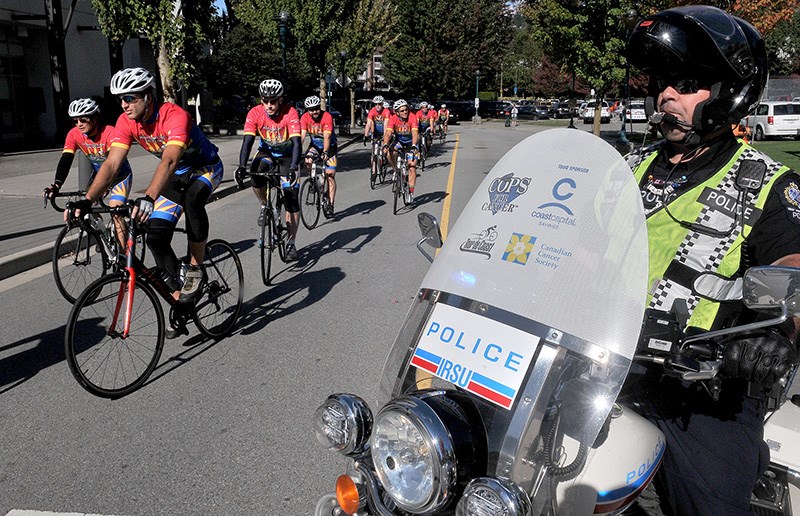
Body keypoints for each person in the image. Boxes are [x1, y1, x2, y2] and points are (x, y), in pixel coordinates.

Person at [623, 6, 799, 515]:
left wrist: (773, 335)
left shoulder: (766, 184)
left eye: (688, 82)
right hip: (606, 366)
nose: (666, 95)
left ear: (728, 92)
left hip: (703, 391)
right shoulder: (629, 170)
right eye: (662, 82)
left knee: (712, 505)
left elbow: (793, 263)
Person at [66, 68, 223, 318]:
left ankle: (196, 268)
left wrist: (149, 197)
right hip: (175, 177)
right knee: (154, 238)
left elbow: (170, 160)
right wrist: (87, 200)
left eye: (130, 98)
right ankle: (180, 300)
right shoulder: (126, 122)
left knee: (193, 199)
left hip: (204, 168)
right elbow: (111, 164)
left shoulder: (174, 115)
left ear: (148, 96)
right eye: (121, 99)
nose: (124, 104)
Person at [45, 98, 134, 244]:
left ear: (95, 118)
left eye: (83, 120)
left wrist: (105, 189)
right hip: (99, 177)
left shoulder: (110, 132)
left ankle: (124, 256)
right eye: (75, 121)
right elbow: (66, 159)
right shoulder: (74, 134)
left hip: (119, 176)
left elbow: (112, 165)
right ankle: (103, 238)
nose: (79, 124)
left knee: (115, 211)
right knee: (87, 209)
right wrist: (56, 185)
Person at [234, 79, 302, 261]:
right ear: (261, 100)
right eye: (266, 101)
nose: (269, 105)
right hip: (267, 153)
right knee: (255, 172)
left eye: (273, 101)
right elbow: (247, 141)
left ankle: (291, 243)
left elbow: (296, 143)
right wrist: (242, 166)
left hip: (288, 155)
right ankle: (265, 205)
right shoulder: (255, 113)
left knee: (291, 198)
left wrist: (294, 167)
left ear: (280, 100)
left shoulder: (290, 112)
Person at [300, 95, 337, 217]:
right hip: (315, 145)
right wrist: (295, 151)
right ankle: (314, 181)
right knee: (308, 160)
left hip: (329, 147)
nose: (314, 111)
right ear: (307, 110)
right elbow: (302, 136)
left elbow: (326, 137)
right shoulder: (304, 118)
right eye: (311, 109)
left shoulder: (326, 117)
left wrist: (325, 152)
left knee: (330, 175)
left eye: (316, 108)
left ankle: (330, 204)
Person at [383, 99, 419, 203]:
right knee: (390, 153)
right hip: (399, 142)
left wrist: (413, 146)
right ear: (397, 112)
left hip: (411, 143)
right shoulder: (393, 119)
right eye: (402, 111)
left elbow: (415, 134)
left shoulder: (412, 117)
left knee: (412, 167)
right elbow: (388, 133)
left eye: (406, 109)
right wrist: (385, 143)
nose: (405, 112)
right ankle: (396, 169)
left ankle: (411, 192)